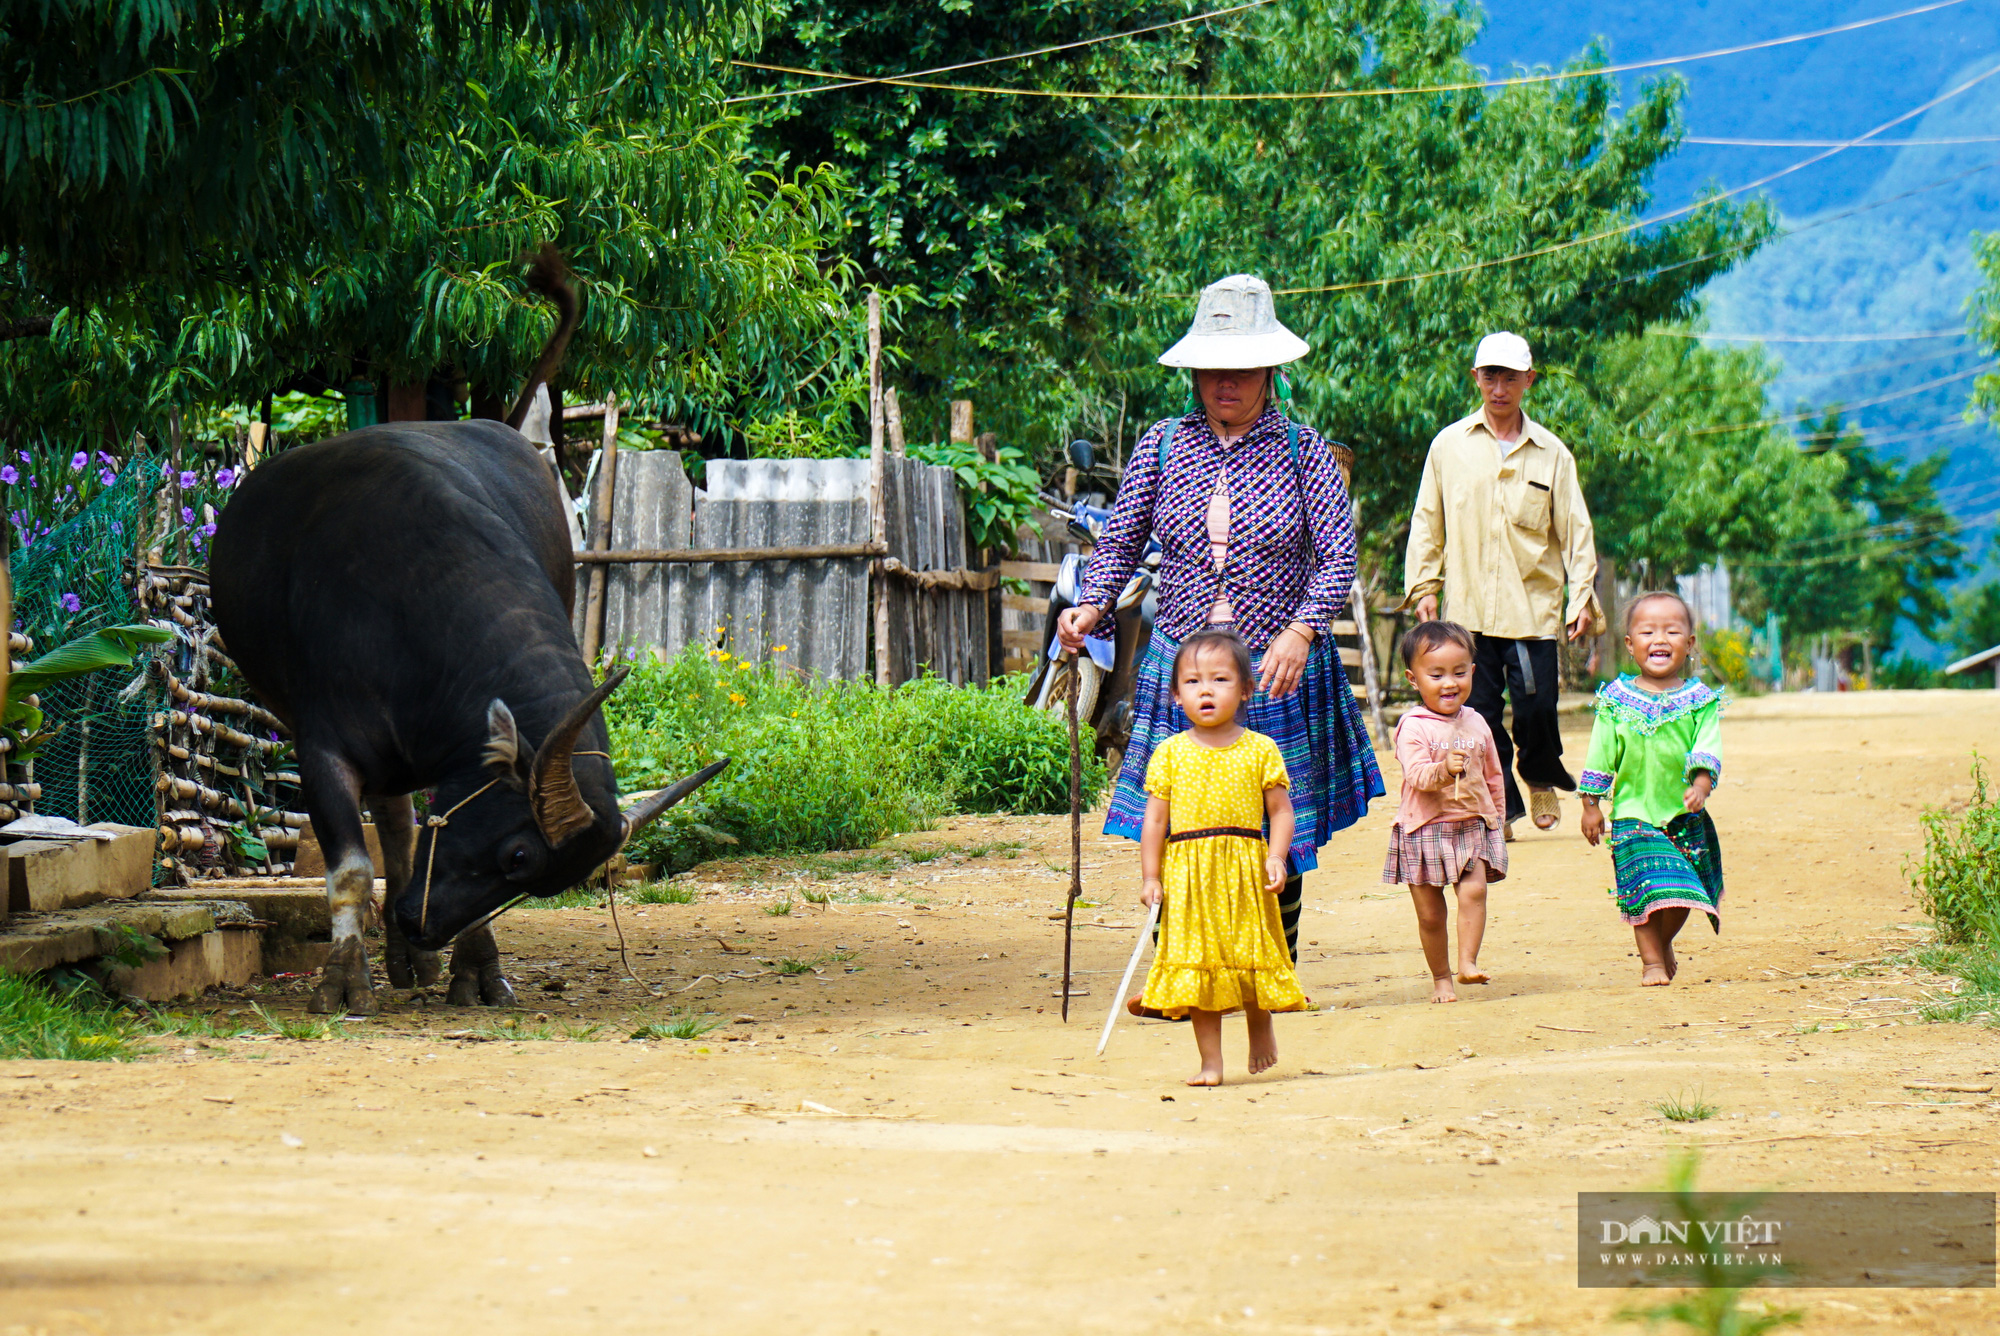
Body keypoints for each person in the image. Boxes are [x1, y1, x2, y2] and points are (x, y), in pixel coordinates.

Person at [1059, 273, 1383, 971]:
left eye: (1240, 369)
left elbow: (1336, 560)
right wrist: (1090, 603)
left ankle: (1275, 964)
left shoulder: (1305, 453)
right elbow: (1118, 540)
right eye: (1212, 370)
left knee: (1271, 823)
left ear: (1271, 370)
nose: (1224, 383)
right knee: (1180, 816)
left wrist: (1302, 630)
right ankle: (1179, 964)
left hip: (1274, 666)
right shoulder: (1163, 446)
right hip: (1187, 662)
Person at [1403, 331, 1604, 837]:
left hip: (1530, 610)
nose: (1499, 387)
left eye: (1510, 377)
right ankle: (1500, 804)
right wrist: (1425, 585)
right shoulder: (1448, 446)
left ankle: (1537, 774)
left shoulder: (1552, 454)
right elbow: (1427, 520)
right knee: (1478, 713)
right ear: (1476, 378)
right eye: (1490, 376)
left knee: (1536, 709)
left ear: (1528, 381)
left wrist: (1579, 596)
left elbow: (1576, 531)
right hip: (1467, 611)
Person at [1136, 628, 1309, 1086]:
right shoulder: (1168, 753)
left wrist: (1276, 857)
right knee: (1198, 966)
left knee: (1248, 953)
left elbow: (1282, 811)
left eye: (1219, 680)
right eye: (1192, 682)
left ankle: (1259, 1024)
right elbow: (1154, 822)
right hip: (1189, 877)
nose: (1205, 690)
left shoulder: (1260, 749)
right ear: (1176, 694)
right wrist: (1150, 876)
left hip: (1245, 872)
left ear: (1246, 689)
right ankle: (1210, 1063)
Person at [1578, 591, 1724, 986]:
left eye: (1672, 631)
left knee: (1684, 891)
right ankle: (1652, 963)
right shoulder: (1614, 701)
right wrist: (1591, 804)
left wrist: (1701, 783)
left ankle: (1661, 942)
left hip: (1682, 815)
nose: (1659, 639)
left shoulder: (1699, 701)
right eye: (1647, 632)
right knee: (1643, 891)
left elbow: (1706, 744)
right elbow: (1600, 753)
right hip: (1632, 814)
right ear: (1630, 644)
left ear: (1689, 644)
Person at [1382, 621, 1507, 1003]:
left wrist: (1496, 819)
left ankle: (1467, 962)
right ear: (1414, 679)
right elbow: (1417, 776)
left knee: (1474, 893)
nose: (1448, 683)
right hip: (1423, 830)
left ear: (1472, 671)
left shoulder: (1477, 721)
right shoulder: (1413, 726)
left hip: (1470, 825)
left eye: (1458, 672)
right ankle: (1441, 979)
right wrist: (1443, 770)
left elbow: (1493, 775)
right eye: (1436, 675)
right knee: (1431, 915)